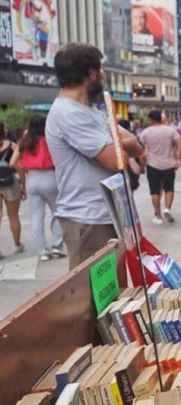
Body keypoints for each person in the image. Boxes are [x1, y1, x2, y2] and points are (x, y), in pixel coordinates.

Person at [46, 43, 144, 268]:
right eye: (101, 71)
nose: (103, 76)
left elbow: (137, 147)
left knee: (115, 297)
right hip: (88, 221)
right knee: (93, 299)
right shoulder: (68, 113)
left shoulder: (93, 112)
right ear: (91, 74)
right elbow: (116, 160)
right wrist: (121, 142)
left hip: (108, 215)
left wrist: (121, 143)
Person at [16, 115, 64, 261]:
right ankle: (57, 245)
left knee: (36, 217)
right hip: (49, 176)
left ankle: (43, 250)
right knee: (58, 211)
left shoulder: (24, 141)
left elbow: (13, 162)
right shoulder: (49, 140)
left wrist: (24, 172)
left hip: (32, 178)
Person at [139, 110, 181, 225]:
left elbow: (141, 149)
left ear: (151, 119)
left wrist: (142, 164)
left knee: (154, 191)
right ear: (160, 119)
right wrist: (178, 158)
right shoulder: (170, 130)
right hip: (168, 164)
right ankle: (167, 208)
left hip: (152, 165)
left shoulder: (145, 132)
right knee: (169, 188)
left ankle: (157, 215)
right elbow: (179, 142)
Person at [0, 126, 25, 259]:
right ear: (3, 131)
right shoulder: (12, 146)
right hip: (10, 183)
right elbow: (19, 165)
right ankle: (17, 244)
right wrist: (23, 185)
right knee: (13, 216)